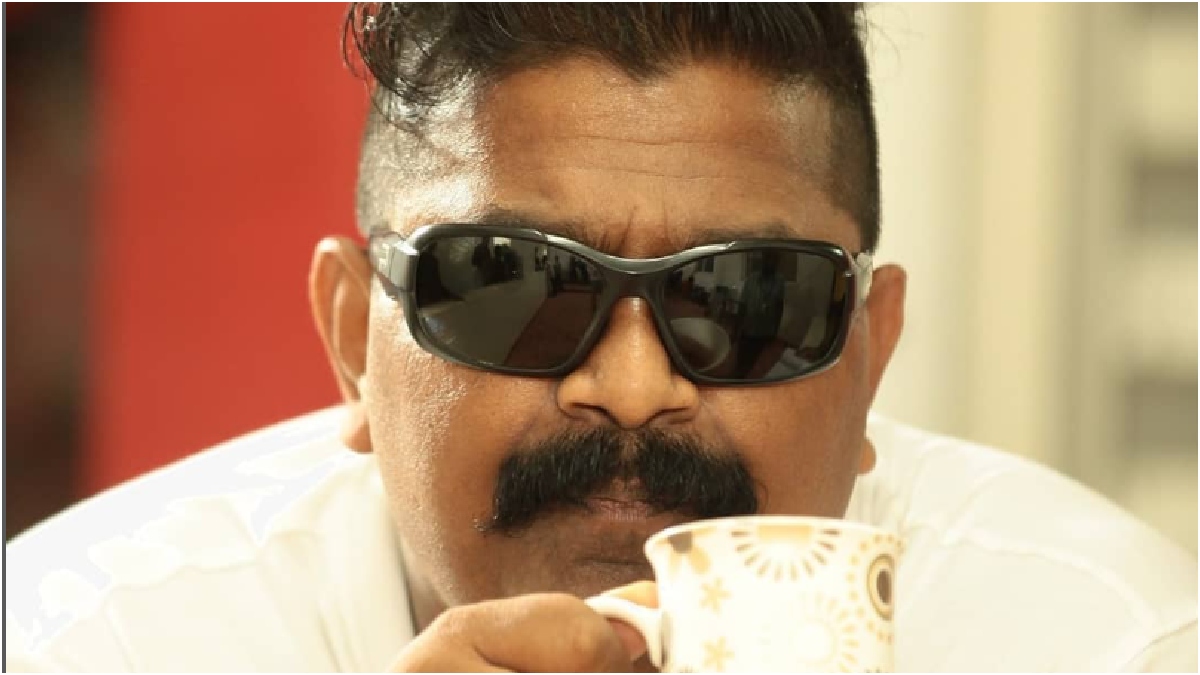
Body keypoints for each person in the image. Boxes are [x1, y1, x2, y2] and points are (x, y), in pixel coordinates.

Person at [6, 4, 1195, 672]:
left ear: (870, 353)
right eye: (513, 283)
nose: (631, 388)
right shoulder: (87, 641)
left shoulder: (1098, 643)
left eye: (745, 300)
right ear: (353, 338)